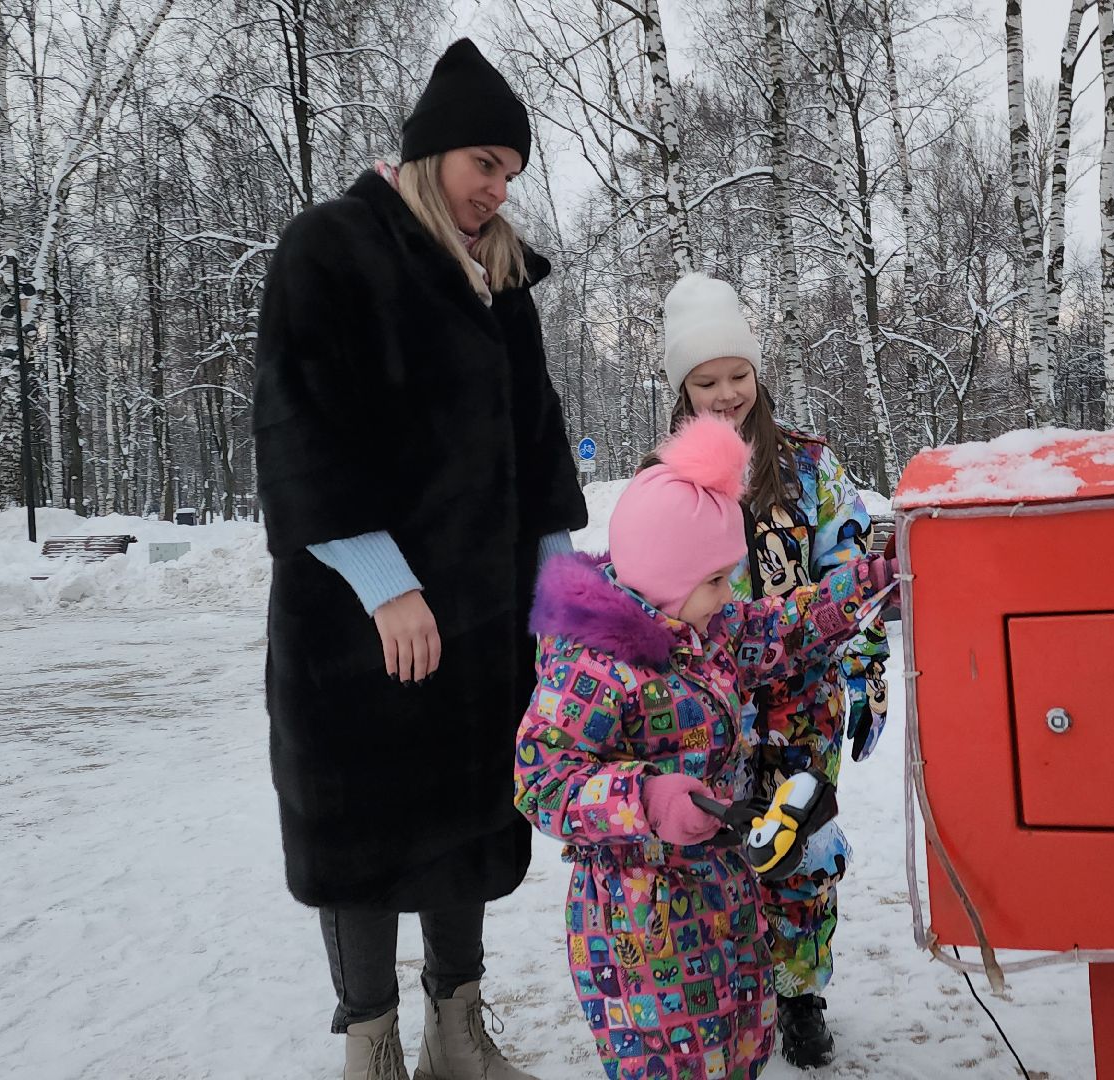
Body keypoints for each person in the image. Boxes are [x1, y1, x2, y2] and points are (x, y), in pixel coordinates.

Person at [252, 38, 586, 1080]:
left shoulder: (499, 279)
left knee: (467, 816)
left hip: (482, 621)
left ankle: (458, 1030)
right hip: (356, 622)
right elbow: (299, 425)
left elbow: (537, 438)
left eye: (512, 172)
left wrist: (558, 586)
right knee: (355, 825)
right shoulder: (333, 248)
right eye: (484, 162)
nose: (497, 188)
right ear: (432, 152)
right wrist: (386, 584)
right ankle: (372, 1045)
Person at [514, 415, 897, 1080]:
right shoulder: (593, 665)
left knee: (741, 1039)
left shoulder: (705, 626)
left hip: (722, 890)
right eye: (718, 579)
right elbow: (542, 781)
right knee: (680, 1062)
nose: (731, 594)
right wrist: (649, 798)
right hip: (641, 919)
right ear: (665, 574)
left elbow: (787, 623)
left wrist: (875, 579)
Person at [654, 272, 889, 1066]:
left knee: (803, 850)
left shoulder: (809, 468)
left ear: (758, 375)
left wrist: (864, 663)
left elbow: (851, 569)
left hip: (803, 706)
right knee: (720, 852)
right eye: (706, 381)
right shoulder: (668, 483)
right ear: (682, 389)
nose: (726, 393)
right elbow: (648, 584)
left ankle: (800, 992)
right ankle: (734, 990)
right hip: (707, 708)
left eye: (738, 376)